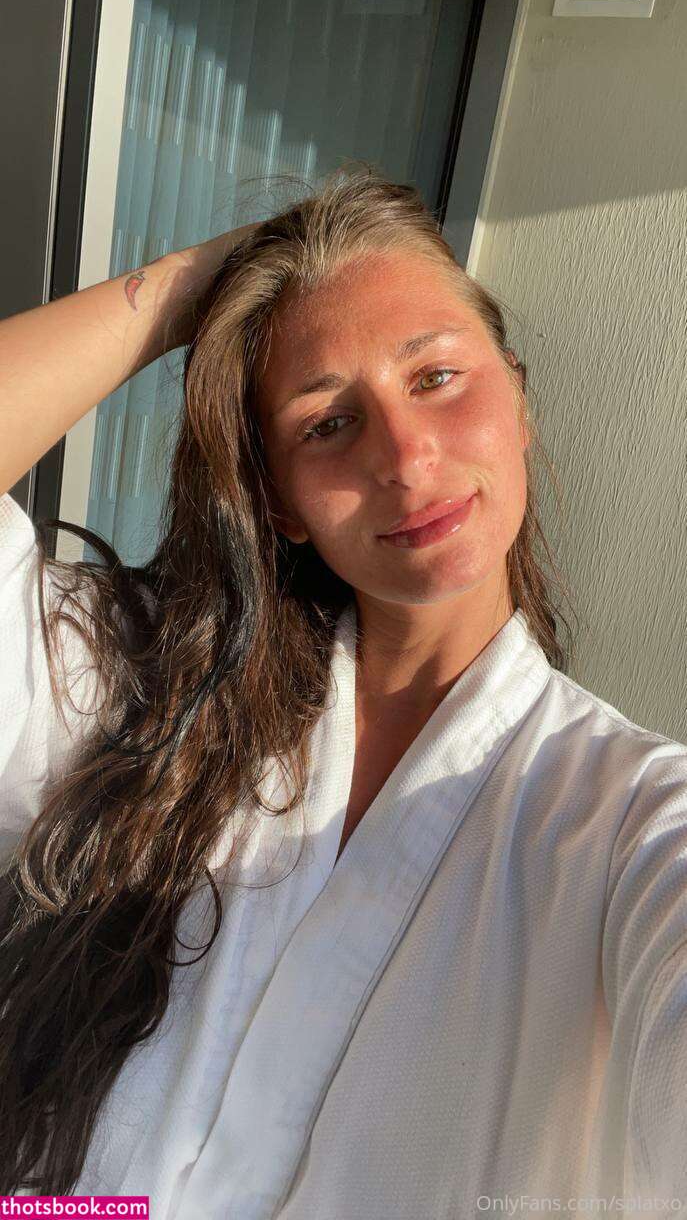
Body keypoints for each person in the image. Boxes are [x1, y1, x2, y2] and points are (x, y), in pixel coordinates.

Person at [0, 166, 686, 1216]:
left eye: (437, 377)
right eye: (326, 422)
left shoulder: (629, 825)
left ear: (518, 398)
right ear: (277, 502)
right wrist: (192, 288)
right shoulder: (149, 686)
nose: (405, 458)